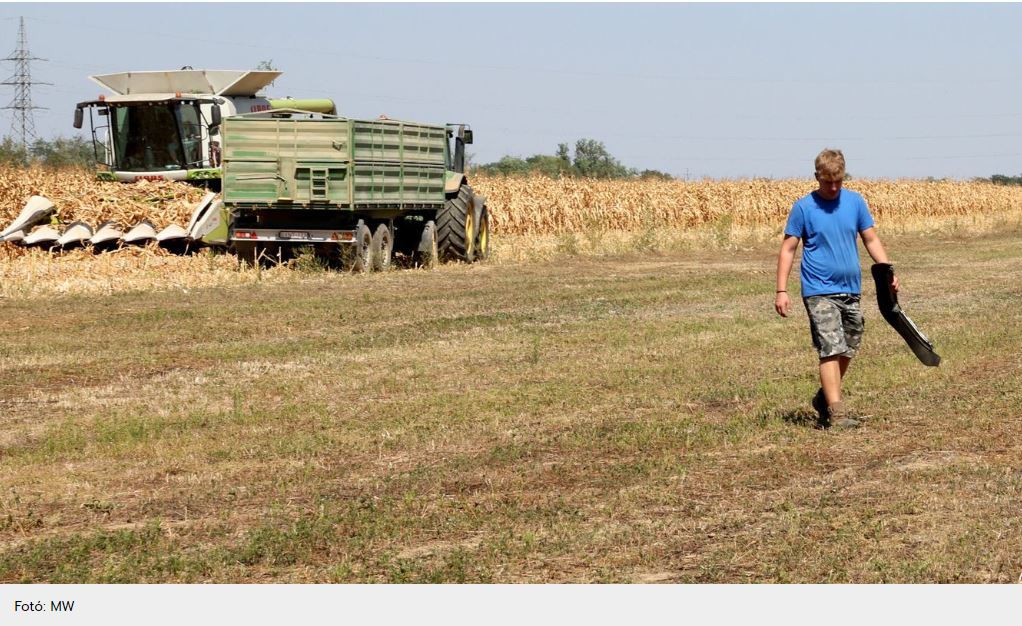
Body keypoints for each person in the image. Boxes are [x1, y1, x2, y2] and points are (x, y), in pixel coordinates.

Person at [774, 149, 899, 429]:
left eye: (838, 182)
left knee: (850, 343)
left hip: (850, 289)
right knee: (830, 347)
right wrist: (781, 291)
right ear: (817, 177)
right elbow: (788, 250)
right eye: (827, 181)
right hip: (818, 289)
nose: (832, 187)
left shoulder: (855, 202)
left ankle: (824, 398)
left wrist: (888, 270)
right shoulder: (804, 208)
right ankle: (836, 412)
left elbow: (871, 239)